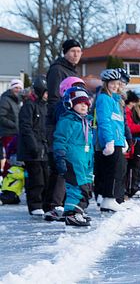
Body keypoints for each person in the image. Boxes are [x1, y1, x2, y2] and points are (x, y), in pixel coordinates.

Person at [43, 76, 86, 221]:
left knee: (68, 178)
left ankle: (64, 205)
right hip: (62, 148)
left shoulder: (79, 111)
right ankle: (55, 205)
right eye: (76, 87)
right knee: (62, 176)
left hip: (73, 150)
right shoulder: (64, 107)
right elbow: (62, 131)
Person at [53, 86, 94, 227]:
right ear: (70, 104)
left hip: (85, 161)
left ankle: (79, 211)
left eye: (86, 103)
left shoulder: (86, 122)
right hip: (72, 160)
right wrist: (60, 156)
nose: (83, 105)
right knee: (76, 187)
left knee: (87, 187)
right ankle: (71, 214)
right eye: (79, 103)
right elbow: (60, 139)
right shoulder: (67, 121)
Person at [93, 69, 127, 212]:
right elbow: (105, 121)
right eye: (111, 83)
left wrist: (123, 139)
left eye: (117, 83)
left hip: (118, 139)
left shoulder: (115, 100)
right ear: (106, 83)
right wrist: (109, 141)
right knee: (114, 171)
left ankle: (109, 199)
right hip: (111, 140)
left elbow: (119, 122)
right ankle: (109, 198)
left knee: (119, 169)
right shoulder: (104, 99)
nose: (114, 86)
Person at [16, 77, 48, 216]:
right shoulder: (29, 106)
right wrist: (33, 146)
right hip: (32, 150)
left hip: (43, 148)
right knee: (36, 179)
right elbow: (26, 128)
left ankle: (44, 203)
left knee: (46, 177)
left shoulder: (44, 106)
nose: (48, 95)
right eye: (46, 92)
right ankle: (35, 205)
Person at [125, 89, 140, 196]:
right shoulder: (133, 111)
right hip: (136, 140)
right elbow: (131, 127)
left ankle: (135, 186)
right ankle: (132, 188)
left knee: (138, 165)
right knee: (134, 165)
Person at [0, 78, 23, 175]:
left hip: (15, 132)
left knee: (14, 156)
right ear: (11, 88)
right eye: (15, 87)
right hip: (8, 133)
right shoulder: (6, 100)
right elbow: (1, 116)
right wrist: (14, 125)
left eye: (19, 88)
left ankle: (11, 176)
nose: (17, 90)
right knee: (10, 156)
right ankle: (6, 176)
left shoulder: (17, 101)